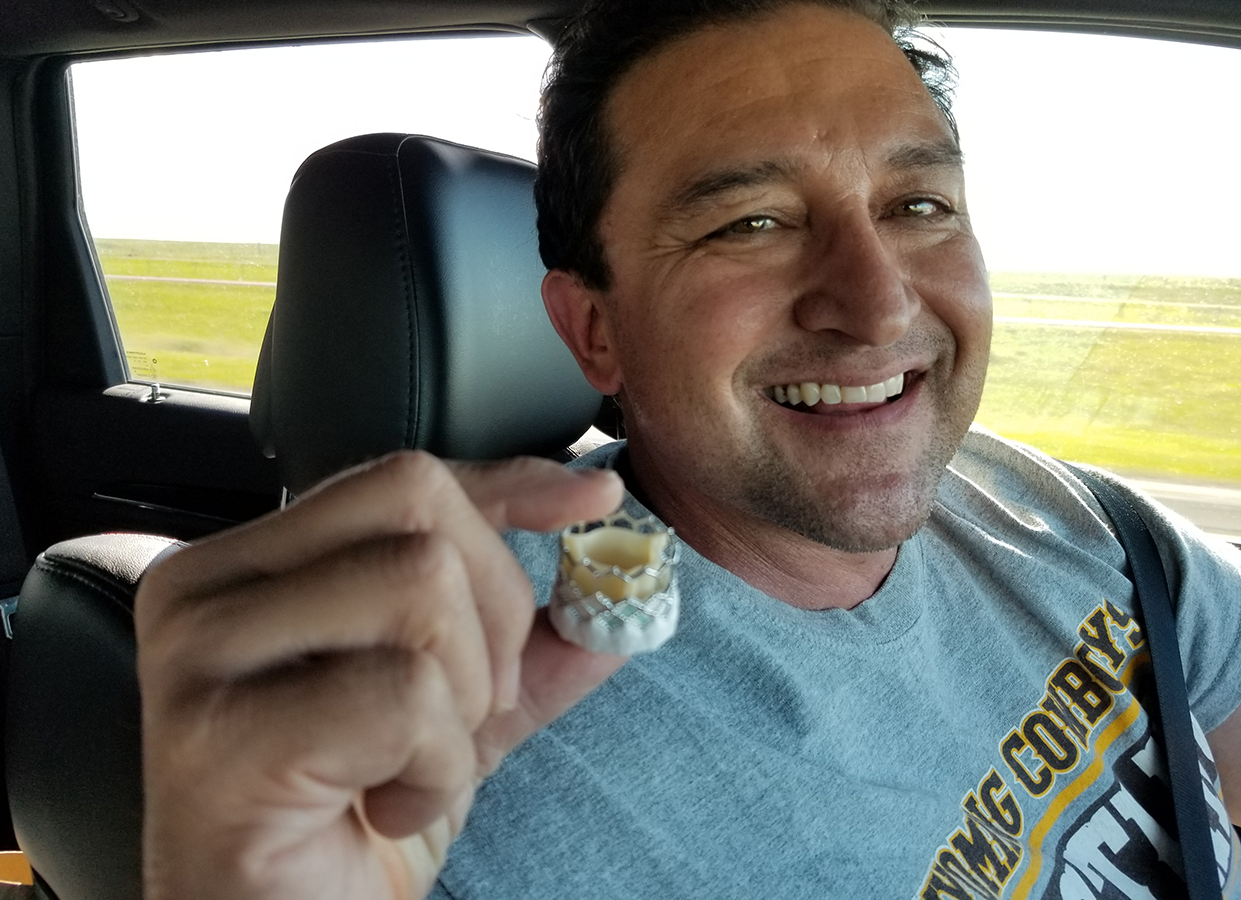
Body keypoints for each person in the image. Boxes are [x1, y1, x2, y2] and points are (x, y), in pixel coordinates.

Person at [133, 0, 1241, 897]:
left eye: (917, 204)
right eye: (750, 223)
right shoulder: (453, 727)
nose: (878, 305)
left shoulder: (1075, 519)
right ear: (595, 332)